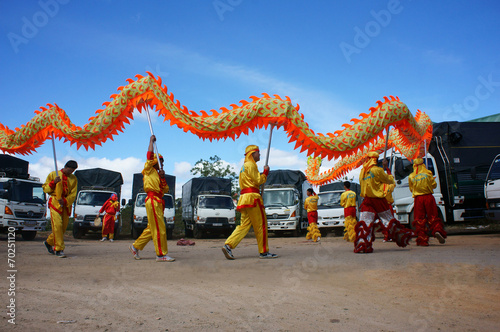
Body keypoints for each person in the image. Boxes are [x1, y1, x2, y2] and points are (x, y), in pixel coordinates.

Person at [222, 145, 278, 259]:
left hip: (244, 198)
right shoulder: (251, 165)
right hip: (253, 198)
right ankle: (264, 252)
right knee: (261, 225)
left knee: (244, 225)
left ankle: (228, 245)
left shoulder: (243, 167)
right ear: (252, 154)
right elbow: (258, 180)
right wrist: (265, 173)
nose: (260, 154)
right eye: (258, 152)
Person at [354, 151, 414, 253]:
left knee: (365, 222)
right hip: (379, 200)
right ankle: (402, 237)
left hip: (367, 200)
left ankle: (363, 245)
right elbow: (389, 180)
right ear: (376, 160)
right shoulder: (378, 170)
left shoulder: (362, 172)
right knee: (388, 220)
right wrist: (386, 169)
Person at [129, 135, 175, 262]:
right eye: (160, 161)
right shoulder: (148, 170)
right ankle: (161, 255)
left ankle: (135, 246)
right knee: (160, 228)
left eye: (163, 161)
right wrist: (150, 142)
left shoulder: (159, 175)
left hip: (158, 202)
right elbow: (149, 156)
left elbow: (165, 190)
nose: (162, 163)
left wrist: (163, 177)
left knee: (152, 228)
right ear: (155, 162)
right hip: (153, 201)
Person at [43, 160, 78, 258]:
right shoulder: (54, 174)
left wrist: (66, 201)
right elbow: (45, 189)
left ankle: (49, 242)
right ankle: (59, 249)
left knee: (62, 229)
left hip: (66, 205)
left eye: (73, 171)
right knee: (57, 225)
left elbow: (73, 193)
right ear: (65, 167)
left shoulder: (74, 179)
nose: (71, 172)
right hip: (55, 202)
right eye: (70, 170)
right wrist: (53, 183)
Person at [409, 158, 447, 246]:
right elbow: (434, 185)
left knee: (419, 219)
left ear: (414, 165)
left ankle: (422, 239)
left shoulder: (412, 176)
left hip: (418, 198)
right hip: (429, 197)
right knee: (433, 215)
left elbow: (411, 189)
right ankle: (437, 230)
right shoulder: (428, 173)